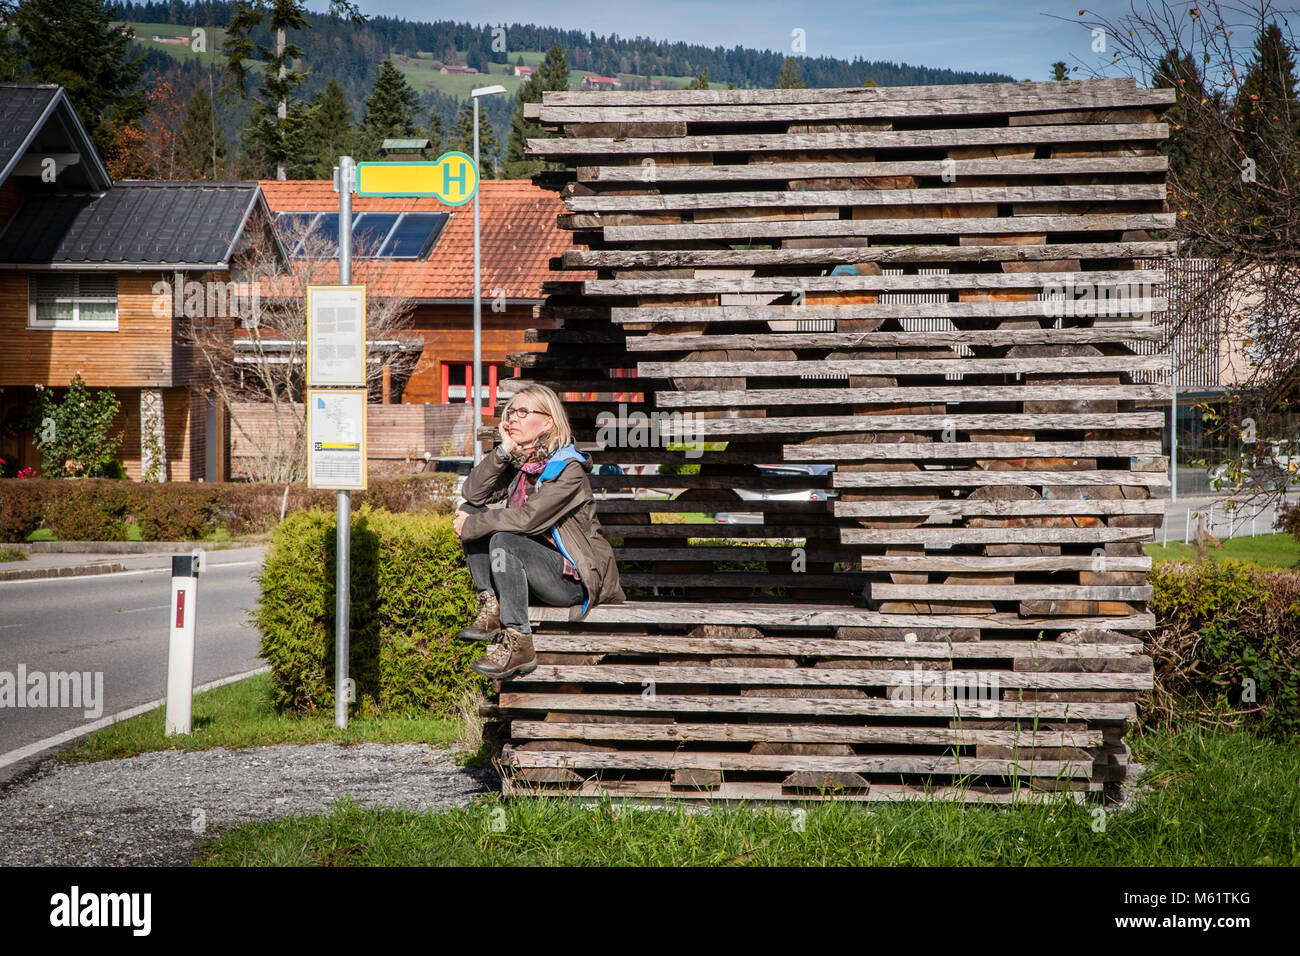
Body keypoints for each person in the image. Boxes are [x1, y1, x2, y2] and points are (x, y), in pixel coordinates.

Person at [452, 384, 625, 679]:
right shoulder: (522, 463)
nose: (512, 419)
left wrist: (471, 526)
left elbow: (528, 520)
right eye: (510, 412)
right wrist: (503, 451)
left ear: (548, 422)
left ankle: (519, 642)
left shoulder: (568, 469)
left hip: (573, 579)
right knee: (474, 510)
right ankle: (491, 604)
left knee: (501, 537)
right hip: (531, 571)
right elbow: (473, 493)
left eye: (522, 412)